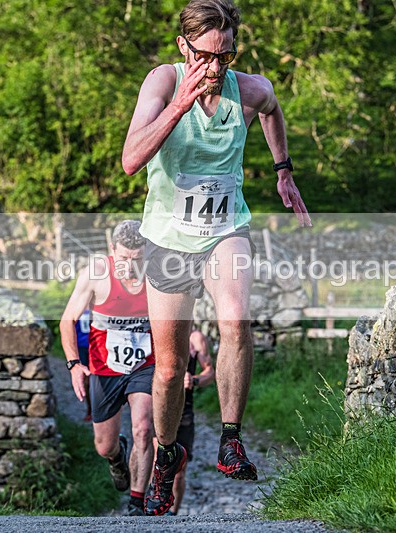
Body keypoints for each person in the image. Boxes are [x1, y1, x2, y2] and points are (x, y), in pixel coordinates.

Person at [121, 0, 311, 516]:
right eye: (207, 56)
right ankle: (166, 457)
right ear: (184, 46)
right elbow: (131, 160)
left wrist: (283, 171)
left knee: (236, 321)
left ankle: (231, 439)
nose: (216, 67)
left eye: (226, 56)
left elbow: (272, 108)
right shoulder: (162, 82)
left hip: (225, 228)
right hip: (167, 237)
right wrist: (179, 104)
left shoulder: (248, 88)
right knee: (168, 368)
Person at [59, 220, 155, 516]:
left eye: (137, 258)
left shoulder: (158, 274)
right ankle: (117, 457)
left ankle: (137, 502)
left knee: (143, 428)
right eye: (124, 257)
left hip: (145, 364)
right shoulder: (95, 274)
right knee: (104, 446)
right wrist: (75, 364)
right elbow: (67, 321)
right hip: (105, 367)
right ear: (112, 250)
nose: (130, 264)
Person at [167, 326, 215, 516]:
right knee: (158, 463)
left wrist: (194, 380)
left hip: (184, 410)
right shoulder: (155, 328)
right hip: (158, 407)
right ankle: (152, 510)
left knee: (178, 471)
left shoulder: (196, 338)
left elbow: (210, 372)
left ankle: (172, 515)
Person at [75, 308, 92, 422]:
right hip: (82, 348)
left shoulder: (96, 307)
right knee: (86, 380)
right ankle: (90, 409)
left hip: (95, 347)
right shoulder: (77, 309)